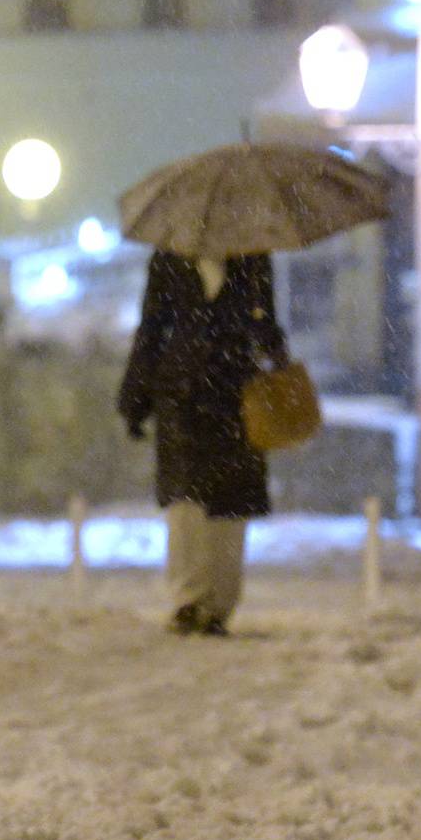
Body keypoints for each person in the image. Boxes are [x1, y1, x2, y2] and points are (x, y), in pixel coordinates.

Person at [117, 250, 288, 637]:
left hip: (235, 395)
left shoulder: (253, 257)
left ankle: (219, 605)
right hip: (181, 395)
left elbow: (265, 321)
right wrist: (136, 398)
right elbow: (151, 328)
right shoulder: (168, 257)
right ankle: (188, 600)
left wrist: (274, 353)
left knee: (230, 504)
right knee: (185, 502)